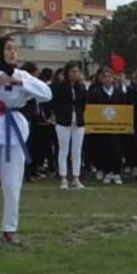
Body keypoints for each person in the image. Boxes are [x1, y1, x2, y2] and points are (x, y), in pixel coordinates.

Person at [0, 35, 52, 244]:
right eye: (8, 48)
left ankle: (10, 227)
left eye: (15, 49)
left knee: (12, 183)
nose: (13, 52)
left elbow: (47, 93)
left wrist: (20, 82)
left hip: (14, 129)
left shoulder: (22, 75)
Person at [51, 61, 87, 190]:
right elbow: (55, 103)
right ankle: (63, 177)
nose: (75, 74)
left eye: (77, 71)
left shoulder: (81, 87)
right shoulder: (60, 87)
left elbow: (83, 104)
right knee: (63, 150)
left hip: (78, 121)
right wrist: (56, 115)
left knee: (77, 150)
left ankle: (76, 177)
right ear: (67, 73)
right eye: (72, 71)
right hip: (63, 121)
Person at [87, 67, 126, 185]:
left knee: (117, 149)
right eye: (105, 77)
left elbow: (124, 110)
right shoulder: (95, 93)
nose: (107, 79)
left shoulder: (119, 93)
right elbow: (92, 110)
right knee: (104, 149)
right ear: (101, 79)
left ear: (113, 78)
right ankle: (108, 172)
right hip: (102, 128)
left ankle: (117, 173)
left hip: (116, 127)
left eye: (109, 77)